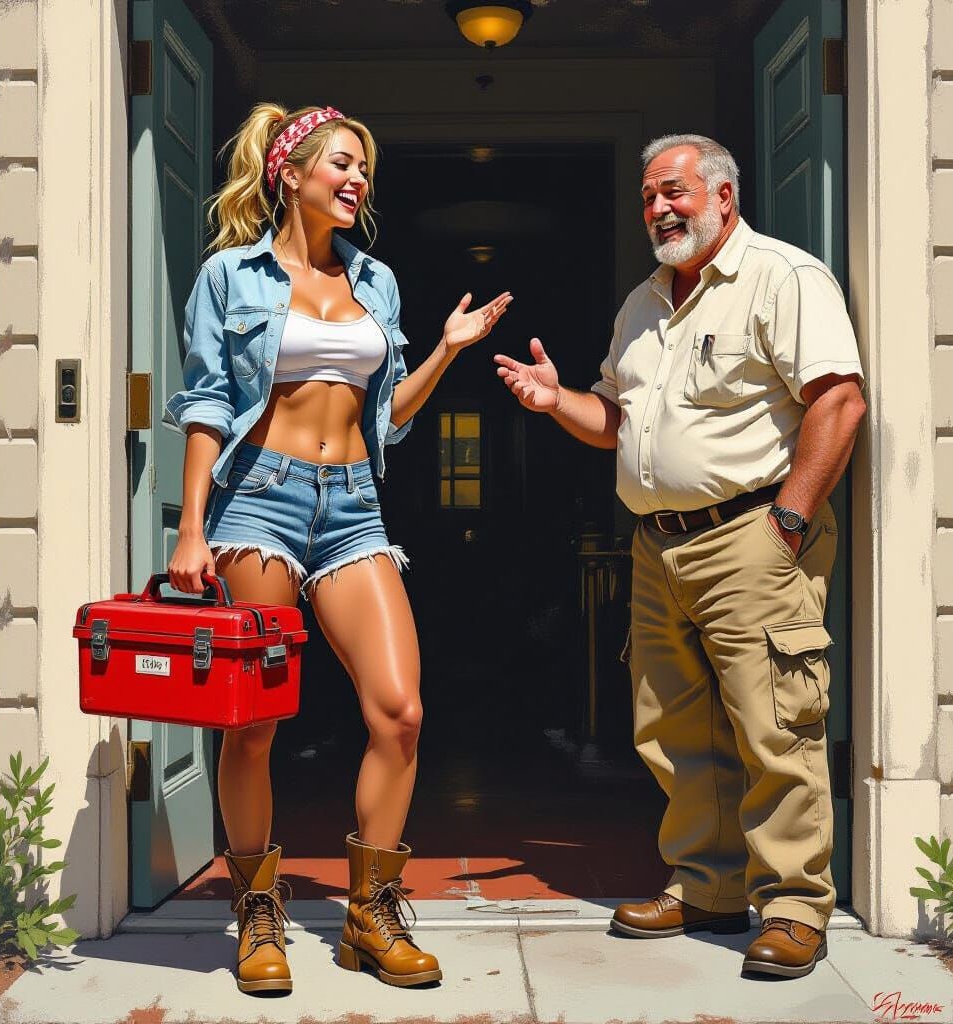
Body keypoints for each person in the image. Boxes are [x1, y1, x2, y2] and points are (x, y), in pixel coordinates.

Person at [495, 133, 865, 979]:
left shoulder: (784, 278)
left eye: (676, 192)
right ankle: (707, 884)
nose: (660, 208)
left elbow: (838, 402)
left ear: (723, 197)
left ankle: (796, 906)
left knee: (777, 725)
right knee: (672, 730)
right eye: (650, 197)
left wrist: (790, 524)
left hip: (753, 536)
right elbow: (616, 423)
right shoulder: (643, 303)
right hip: (658, 548)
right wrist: (557, 403)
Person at [164, 102, 511, 994]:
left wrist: (445, 349)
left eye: (364, 170)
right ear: (292, 172)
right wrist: (192, 528)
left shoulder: (378, 281)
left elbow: (386, 414)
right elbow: (206, 404)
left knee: (400, 713)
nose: (358, 182)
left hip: (354, 506)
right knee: (256, 723)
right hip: (259, 507)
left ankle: (370, 913)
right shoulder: (228, 277)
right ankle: (257, 914)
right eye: (343, 165)